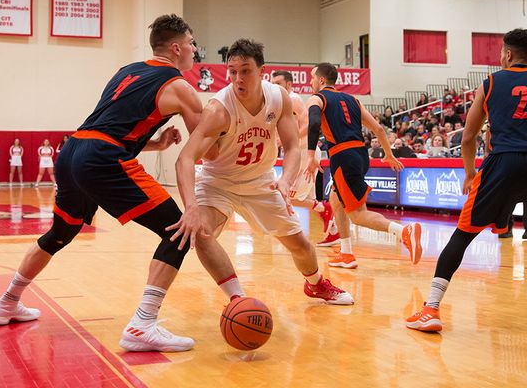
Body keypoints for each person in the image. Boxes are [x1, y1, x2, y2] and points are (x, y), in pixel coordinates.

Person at [0, 14, 213, 353]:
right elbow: (204, 142)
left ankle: (7, 302)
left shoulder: (126, 71)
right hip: (102, 159)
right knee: (177, 231)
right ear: (177, 48)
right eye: (193, 43)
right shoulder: (179, 86)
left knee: (59, 234)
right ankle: (143, 323)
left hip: (73, 150)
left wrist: (156, 144)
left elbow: (109, 126)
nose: (195, 50)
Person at [170, 39, 354, 308]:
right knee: (200, 233)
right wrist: (190, 206)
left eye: (245, 71)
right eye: (232, 72)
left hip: (261, 181)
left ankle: (315, 285)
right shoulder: (218, 108)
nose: (237, 78)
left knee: (301, 245)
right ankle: (237, 299)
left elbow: (292, 147)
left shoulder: (279, 98)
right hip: (218, 182)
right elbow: (185, 159)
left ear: (261, 72)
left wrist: (285, 180)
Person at [406, 28, 527, 332]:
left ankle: (432, 308)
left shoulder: (490, 83)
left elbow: (467, 138)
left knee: (463, 235)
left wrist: (469, 173)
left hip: (502, 163)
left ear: (507, 54)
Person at [304, 63, 422, 269]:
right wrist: (388, 154)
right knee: (335, 198)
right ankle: (347, 253)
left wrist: (310, 155)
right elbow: (378, 128)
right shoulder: (353, 100)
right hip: (360, 153)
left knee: (357, 214)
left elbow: (314, 124)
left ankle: (404, 231)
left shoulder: (317, 98)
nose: (310, 81)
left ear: (321, 80)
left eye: (312, 78)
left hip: (342, 155)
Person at [271, 69, 339, 246]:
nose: (274, 87)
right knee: (301, 197)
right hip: (299, 153)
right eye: (273, 83)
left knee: (284, 193)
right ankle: (334, 231)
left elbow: (308, 124)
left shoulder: (293, 99)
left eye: (278, 83)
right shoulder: (281, 102)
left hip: (303, 153)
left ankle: (325, 209)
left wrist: (286, 140)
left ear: (289, 84)